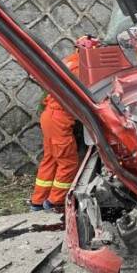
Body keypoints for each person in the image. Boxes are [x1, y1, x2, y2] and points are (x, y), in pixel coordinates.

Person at [30, 51, 80, 212]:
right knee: (68, 162)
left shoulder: (70, 60)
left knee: (50, 159)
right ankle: (56, 201)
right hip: (60, 119)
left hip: (49, 116)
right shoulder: (83, 67)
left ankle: (38, 201)